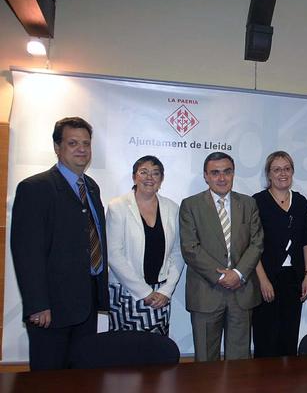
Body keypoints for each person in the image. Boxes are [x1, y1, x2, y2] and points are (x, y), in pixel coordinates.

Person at [10, 117, 109, 370]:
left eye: (86, 143)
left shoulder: (91, 187)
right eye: (73, 143)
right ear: (57, 147)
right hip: (51, 309)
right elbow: (27, 252)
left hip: (86, 305)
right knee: (49, 380)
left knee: (82, 378)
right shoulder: (36, 188)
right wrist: (37, 304)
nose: (82, 149)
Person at [179, 152, 263, 361]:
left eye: (227, 172)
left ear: (233, 173)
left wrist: (238, 273)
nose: (222, 178)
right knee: (206, 361)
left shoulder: (248, 204)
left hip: (241, 291)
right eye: (215, 173)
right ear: (206, 176)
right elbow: (190, 248)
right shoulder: (191, 205)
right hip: (206, 293)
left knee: (240, 362)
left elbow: (257, 243)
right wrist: (221, 277)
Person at [106, 155, 185, 335]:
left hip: (160, 295)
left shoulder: (172, 208)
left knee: (156, 348)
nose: (149, 177)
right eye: (143, 172)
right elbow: (114, 254)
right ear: (134, 177)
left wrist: (167, 290)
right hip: (125, 293)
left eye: (155, 173)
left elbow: (178, 252)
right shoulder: (117, 207)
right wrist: (144, 292)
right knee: (125, 347)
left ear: (161, 179)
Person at [252, 151, 307, 357]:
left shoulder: (300, 202)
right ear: (269, 174)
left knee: (289, 339)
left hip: (294, 279)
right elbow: (252, 245)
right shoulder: (257, 201)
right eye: (277, 169)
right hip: (266, 278)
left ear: (292, 172)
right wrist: (263, 281)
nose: (282, 173)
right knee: (265, 340)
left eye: (287, 169)